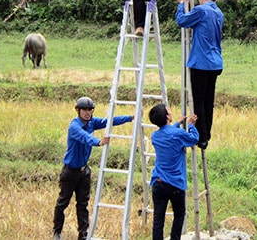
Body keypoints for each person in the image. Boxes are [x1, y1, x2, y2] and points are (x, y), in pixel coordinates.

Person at [52, 97, 133, 240]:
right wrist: (99, 142)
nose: (88, 112)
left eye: (90, 109)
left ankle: (83, 234)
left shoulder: (91, 123)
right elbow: (85, 137)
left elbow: (109, 121)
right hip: (70, 171)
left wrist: (130, 118)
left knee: (83, 203)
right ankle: (57, 232)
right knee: (63, 202)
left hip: (84, 171)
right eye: (84, 110)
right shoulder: (74, 126)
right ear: (78, 110)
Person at [175, 0, 224, 149]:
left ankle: (201, 137)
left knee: (198, 101)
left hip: (201, 63)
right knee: (209, 101)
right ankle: (206, 134)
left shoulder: (201, 10)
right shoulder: (219, 13)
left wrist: (181, 4)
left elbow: (182, 21)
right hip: (215, 62)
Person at [148, 104, 199, 240]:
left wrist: (177, 123)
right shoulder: (178, 134)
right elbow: (194, 139)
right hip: (175, 184)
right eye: (169, 111)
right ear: (167, 117)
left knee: (158, 219)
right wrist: (191, 125)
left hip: (158, 183)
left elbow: (168, 134)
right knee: (179, 214)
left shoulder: (155, 136)